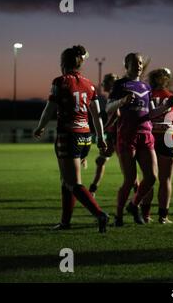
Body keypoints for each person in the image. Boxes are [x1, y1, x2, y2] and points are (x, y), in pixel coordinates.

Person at [33, 45, 109, 233]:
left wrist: (40, 127)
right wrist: (100, 137)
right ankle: (65, 222)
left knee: (72, 182)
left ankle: (100, 214)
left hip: (68, 135)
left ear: (62, 63)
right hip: (86, 137)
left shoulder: (60, 82)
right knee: (66, 181)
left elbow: (49, 109)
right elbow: (96, 115)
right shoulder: (90, 85)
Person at [106, 53, 173, 227]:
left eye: (141, 62)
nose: (139, 65)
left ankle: (133, 204)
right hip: (127, 135)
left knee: (152, 177)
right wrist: (121, 101)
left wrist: (165, 107)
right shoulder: (120, 84)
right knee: (129, 180)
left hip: (146, 134)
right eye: (135, 62)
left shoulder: (146, 87)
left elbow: (150, 113)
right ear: (126, 65)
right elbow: (108, 107)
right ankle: (119, 216)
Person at [142, 68, 173, 224]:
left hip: (150, 137)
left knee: (148, 178)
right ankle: (163, 216)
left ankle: (145, 215)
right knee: (165, 180)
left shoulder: (146, 97)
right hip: (169, 137)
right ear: (167, 81)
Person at [88, 73, 119, 197]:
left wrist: (105, 127)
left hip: (118, 135)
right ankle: (92, 190)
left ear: (112, 83)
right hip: (113, 134)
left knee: (127, 167)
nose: (102, 84)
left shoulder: (116, 95)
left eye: (105, 81)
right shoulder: (113, 96)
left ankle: (138, 193)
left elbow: (117, 114)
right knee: (100, 160)